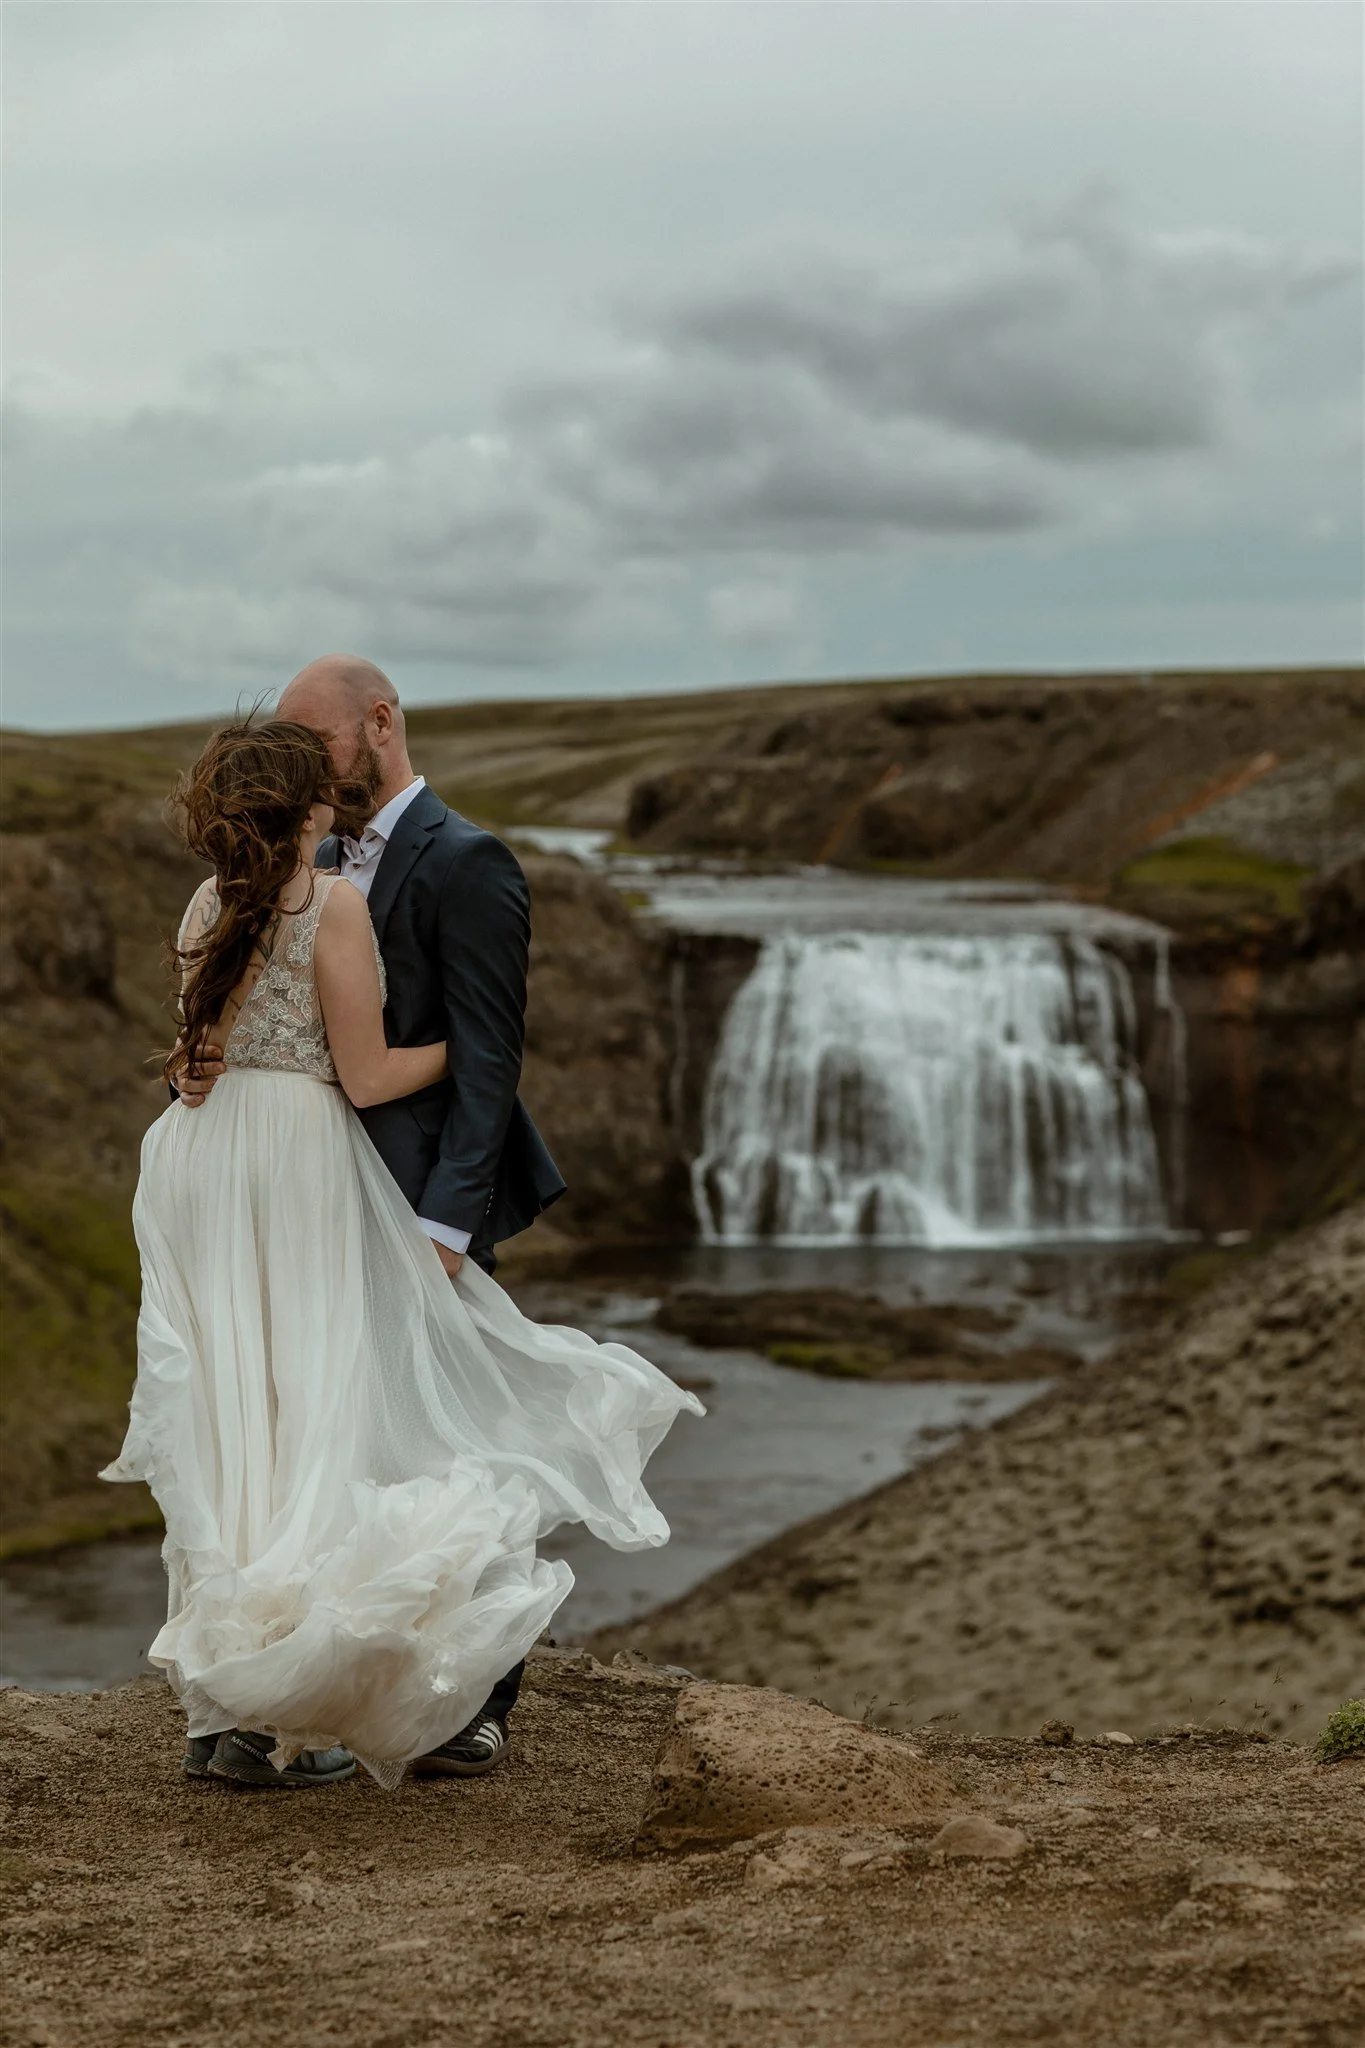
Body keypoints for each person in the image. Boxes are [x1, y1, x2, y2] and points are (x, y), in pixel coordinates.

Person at [102, 715, 702, 1790]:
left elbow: (202, 1048)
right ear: (309, 809)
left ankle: (223, 1712)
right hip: (294, 1164)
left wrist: (197, 1070)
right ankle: (285, 1697)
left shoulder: (204, 903)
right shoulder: (329, 902)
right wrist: (474, 1047)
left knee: (232, 1419)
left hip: (200, 1160)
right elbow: (370, 1075)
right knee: (314, 1415)